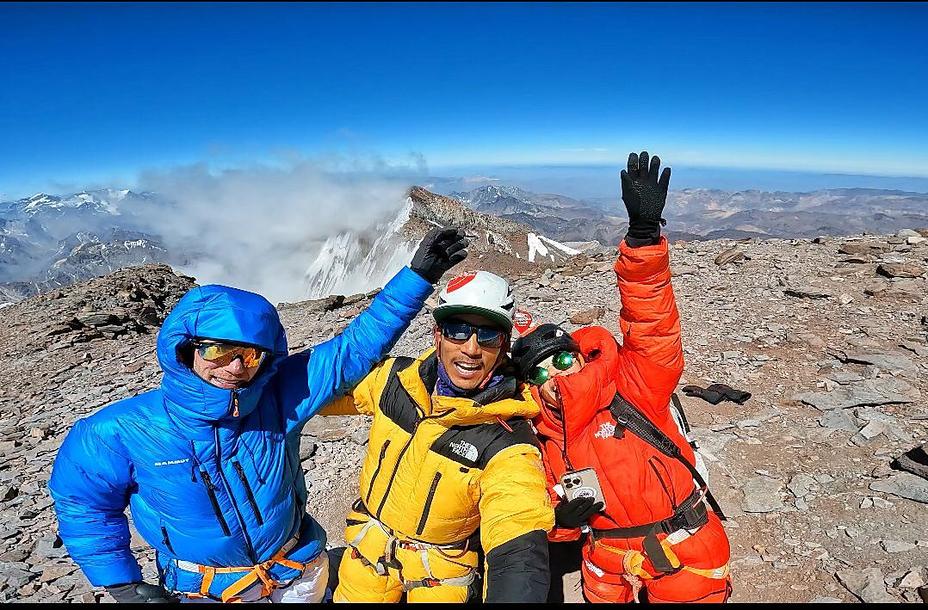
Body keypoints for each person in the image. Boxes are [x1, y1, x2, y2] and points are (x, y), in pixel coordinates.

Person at [48, 227, 469, 603]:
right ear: (185, 349)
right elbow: (85, 505)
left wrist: (417, 278)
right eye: (217, 350)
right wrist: (121, 584)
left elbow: (353, 348)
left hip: (298, 573)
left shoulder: (279, 394)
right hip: (205, 590)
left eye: (249, 354)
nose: (234, 367)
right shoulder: (117, 432)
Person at [510, 152, 732, 604]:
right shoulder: (538, 436)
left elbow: (651, 323)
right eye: (538, 371)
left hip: (681, 546)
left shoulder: (633, 385)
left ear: (580, 358)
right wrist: (564, 520)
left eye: (561, 360)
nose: (554, 375)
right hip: (604, 559)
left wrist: (644, 239)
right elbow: (544, 523)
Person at [321, 270, 554, 603]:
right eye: (458, 331)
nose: (472, 349)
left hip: (440, 574)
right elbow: (319, 389)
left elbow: (518, 542)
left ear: (503, 346)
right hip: (368, 554)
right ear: (437, 336)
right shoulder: (395, 381)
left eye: (487, 336)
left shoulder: (508, 443)